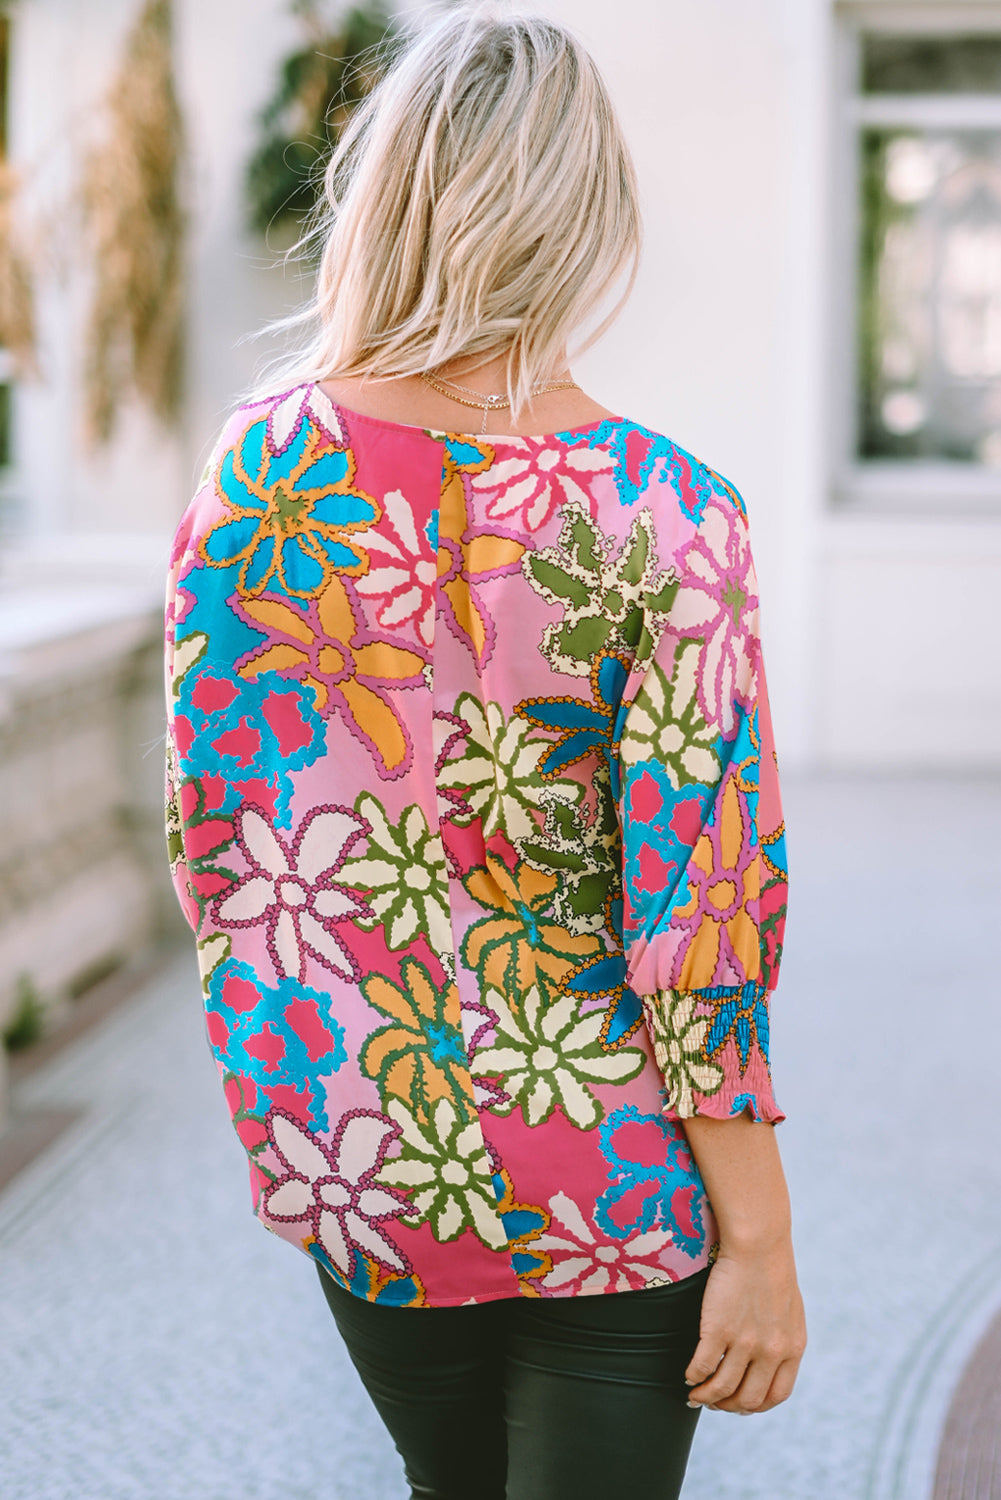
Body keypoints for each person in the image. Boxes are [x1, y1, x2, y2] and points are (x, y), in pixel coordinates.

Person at [164, 6, 807, 1497]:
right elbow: (698, 916)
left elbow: (225, 854)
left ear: (382, 195)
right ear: (589, 215)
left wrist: (322, 1103)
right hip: (614, 1175)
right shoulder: (661, 511)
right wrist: (760, 1241)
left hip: (360, 1150)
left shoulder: (258, 474)